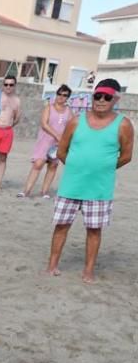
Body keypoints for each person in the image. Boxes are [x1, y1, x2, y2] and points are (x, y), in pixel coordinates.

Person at [46, 78, 134, 283]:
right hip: (71, 185)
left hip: (99, 189)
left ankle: (88, 271)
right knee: (61, 225)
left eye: (107, 97)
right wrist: (78, 167)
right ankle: (52, 265)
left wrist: (102, 169)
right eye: (97, 95)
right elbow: (61, 151)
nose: (101, 100)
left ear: (115, 99)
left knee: (94, 230)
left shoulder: (124, 125)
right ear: (92, 96)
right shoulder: (76, 121)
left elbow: (126, 156)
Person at [19, 85, 72, 199]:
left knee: (53, 165)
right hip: (46, 140)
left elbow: (70, 127)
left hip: (58, 144)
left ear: (67, 97)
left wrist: (65, 140)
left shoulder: (68, 111)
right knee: (38, 164)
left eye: (64, 95)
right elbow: (44, 124)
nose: (61, 97)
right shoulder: (49, 108)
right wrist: (56, 135)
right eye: (59, 94)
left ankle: (44, 191)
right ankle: (26, 191)